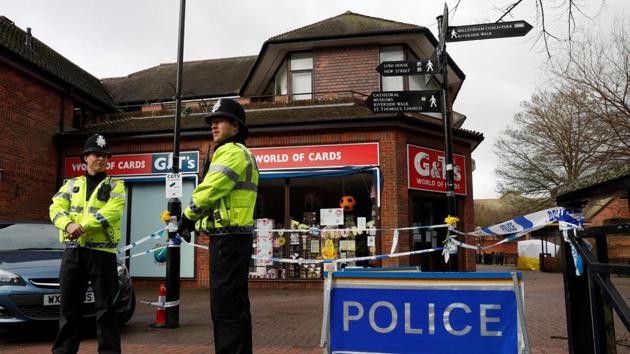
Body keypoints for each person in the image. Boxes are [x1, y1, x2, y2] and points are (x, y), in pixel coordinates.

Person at [178, 98, 259, 354]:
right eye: (212, 121)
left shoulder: (232, 152)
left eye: (219, 120)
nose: (213, 125)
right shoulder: (235, 152)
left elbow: (210, 190)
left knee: (225, 311)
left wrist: (188, 217)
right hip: (233, 239)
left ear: (236, 127)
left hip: (228, 240)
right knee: (235, 308)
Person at [49, 133, 126, 354]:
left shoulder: (116, 186)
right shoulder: (71, 185)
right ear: (85, 158)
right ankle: (64, 351)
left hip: (102, 254)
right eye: (96, 154)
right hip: (73, 253)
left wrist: (81, 226)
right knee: (69, 308)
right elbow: (55, 208)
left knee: (106, 308)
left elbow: (112, 211)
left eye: (104, 155)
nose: (101, 158)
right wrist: (67, 225)